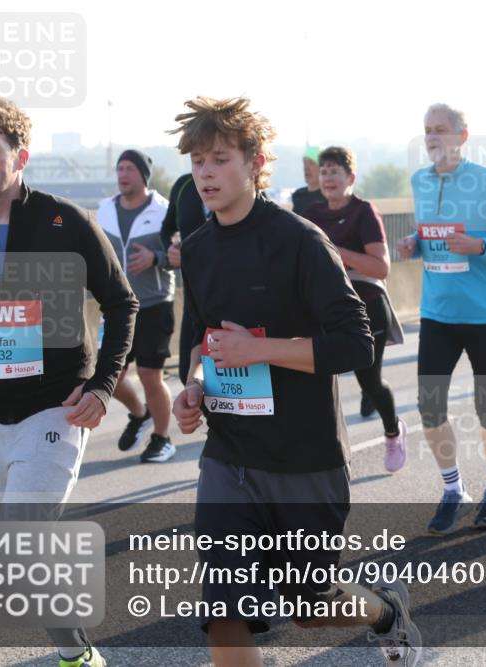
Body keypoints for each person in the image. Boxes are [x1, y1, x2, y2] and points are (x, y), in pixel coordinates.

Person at [169, 96, 421, 667]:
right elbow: (203, 343)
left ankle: (384, 611)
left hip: (304, 458)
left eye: (219, 159)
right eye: (197, 161)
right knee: (224, 612)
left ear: (255, 163)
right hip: (228, 454)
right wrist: (195, 390)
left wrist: (258, 348)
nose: (205, 172)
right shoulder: (201, 248)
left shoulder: (300, 240)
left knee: (310, 604)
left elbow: (356, 343)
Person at [0, 95, 138, 667]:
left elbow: (121, 303)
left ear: (19, 155)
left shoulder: (63, 220)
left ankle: (77, 659)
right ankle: (76, 647)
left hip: (57, 405)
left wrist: (102, 387)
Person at [397, 103, 486, 534]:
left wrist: (479, 247)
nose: (433, 137)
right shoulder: (419, 181)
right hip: (438, 313)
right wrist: (414, 245)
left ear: (462, 136)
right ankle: (454, 491)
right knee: (429, 405)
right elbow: (432, 237)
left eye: (440, 129)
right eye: (427, 131)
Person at [304, 146, 408, 472]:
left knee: (370, 382)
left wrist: (335, 252)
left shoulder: (364, 212)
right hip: (324, 310)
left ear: (351, 177)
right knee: (316, 381)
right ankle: (323, 453)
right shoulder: (312, 215)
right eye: (324, 172)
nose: (328, 178)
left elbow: (380, 267)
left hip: (366, 307)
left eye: (335, 171)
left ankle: (392, 431)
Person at [97, 150, 177, 462]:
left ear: (143, 175)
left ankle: (162, 438)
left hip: (155, 304)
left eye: (129, 168)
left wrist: (155, 258)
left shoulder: (163, 210)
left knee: (149, 374)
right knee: (109, 376)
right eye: (119, 169)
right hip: (116, 307)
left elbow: (182, 253)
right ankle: (139, 413)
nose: (123, 174)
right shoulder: (104, 211)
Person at [160, 172, 210, 385]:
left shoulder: (235, 181)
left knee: (221, 372)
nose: (203, 166)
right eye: (196, 159)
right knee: (186, 374)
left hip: (230, 291)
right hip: (193, 296)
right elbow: (166, 229)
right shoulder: (183, 184)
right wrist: (171, 250)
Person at [290, 144, 325, 215]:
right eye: (304, 162)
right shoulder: (298, 195)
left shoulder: (329, 198)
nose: (306, 167)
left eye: (312, 163)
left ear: (323, 168)